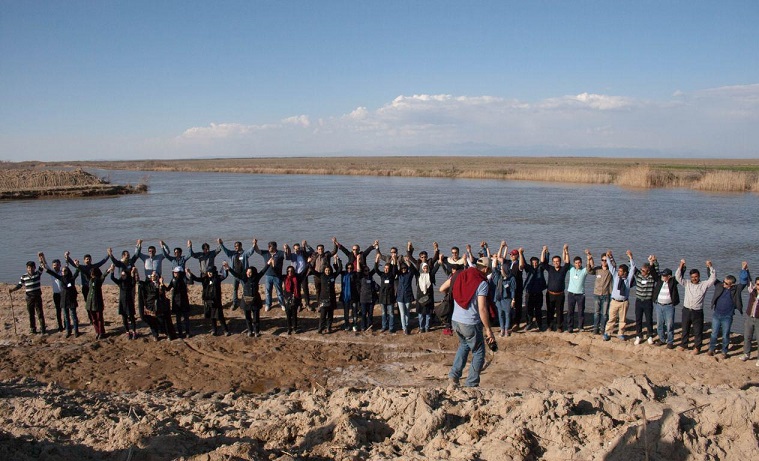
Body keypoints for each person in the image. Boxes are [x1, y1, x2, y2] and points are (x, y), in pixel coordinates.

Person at [441, 256, 496, 388]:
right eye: (489, 271)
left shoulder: (461, 275)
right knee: (478, 352)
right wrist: (488, 330)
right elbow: (482, 308)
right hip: (470, 322)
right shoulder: (482, 283)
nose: (489, 273)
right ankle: (472, 383)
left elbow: (443, 288)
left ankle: (453, 376)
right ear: (486, 269)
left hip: (455, 320)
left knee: (464, 345)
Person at [675, 259, 716, 355]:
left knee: (698, 330)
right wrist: (681, 265)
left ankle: (697, 347)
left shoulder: (704, 284)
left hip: (697, 311)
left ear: (699, 276)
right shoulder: (687, 283)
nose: (694, 278)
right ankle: (684, 345)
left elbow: (713, 278)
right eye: (692, 277)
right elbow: (678, 277)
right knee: (685, 329)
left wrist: (710, 266)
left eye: (696, 277)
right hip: (686, 310)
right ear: (690, 277)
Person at [707, 264, 746, 358]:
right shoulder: (719, 285)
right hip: (716, 314)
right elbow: (712, 277)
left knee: (725, 335)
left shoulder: (736, 289)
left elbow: (743, 282)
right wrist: (709, 267)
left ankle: (724, 351)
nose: (723, 283)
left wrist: (743, 269)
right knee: (714, 333)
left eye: (726, 283)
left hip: (727, 316)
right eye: (723, 281)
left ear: (731, 284)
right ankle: (711, 349)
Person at [41, 255, 81, 337]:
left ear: (67, 271)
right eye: (62, 271)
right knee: (66, 316)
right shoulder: (60, 278)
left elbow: (77, 272)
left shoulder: (71, 279)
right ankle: (68, 331)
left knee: (73, 316)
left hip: (71, 299)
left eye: (65, 271)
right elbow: (51, 273)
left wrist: (77, 265)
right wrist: (44, 268)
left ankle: (76, 331)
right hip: (63, 299)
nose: (63, 272)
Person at [187, 265, 230, 336]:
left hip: (216, 301)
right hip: (208, 301)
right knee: (212, 316)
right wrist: (189, 273)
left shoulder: (217, 278)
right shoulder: (205, 279)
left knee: (220, 316)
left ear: (214, 272)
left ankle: (225, 330)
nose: (209, 273)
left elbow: (224, 276)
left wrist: (226, 269)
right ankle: (214, 330)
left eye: (211, 272)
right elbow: (197, 279)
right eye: (208, 272)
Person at [225, 261, 266, 336]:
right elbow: (236, 275)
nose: (248, 273)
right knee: (248, 317)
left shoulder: (256, 278)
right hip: (246, 301)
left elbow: (263, 271)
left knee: (256, 317)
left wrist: (268, 263)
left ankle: (256, 331)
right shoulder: (244, 278)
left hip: (255, 300)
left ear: (253, 273)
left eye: (250, 272)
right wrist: (229, 268)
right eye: (247, 272)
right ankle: (250, 330)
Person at [604, 250, 636, 341]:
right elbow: (610, 267)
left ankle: (621, 333)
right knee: (611, 318)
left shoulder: (628, 279)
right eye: (619, 270)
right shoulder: (616, 276)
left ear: (625, 272)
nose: (619, 272)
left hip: (624, 302)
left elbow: (633, 268)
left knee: (622, 320)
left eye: (621, 271)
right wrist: (608, 257)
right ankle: (607, 333)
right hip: (614, 301)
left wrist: (630, 257)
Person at [9, 257, 46, 335]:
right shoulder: (24, 276)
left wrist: (41, 258)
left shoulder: (37, 274)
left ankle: (43, 329)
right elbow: (20, 285)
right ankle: (33, 329)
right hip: (29, 298)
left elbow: (42, 266)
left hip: (37, 297)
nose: (30, 269)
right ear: (27, 268)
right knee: (31, 314)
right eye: (29, 268)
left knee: (40, 313)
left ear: (34, 268)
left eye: (32, 268)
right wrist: (12, 290)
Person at [218, 238, 255, 309]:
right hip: (235, 275)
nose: (236, 247)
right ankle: (235, 303)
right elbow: (225, 250)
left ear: (240, 246)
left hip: (243, 276)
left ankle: (247, 301)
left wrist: (254, 245)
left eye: (237, 246)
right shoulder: (232, 254)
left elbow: (250, 251)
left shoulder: (244, 253)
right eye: (235, 246)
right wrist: (221, 244)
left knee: (245, 288)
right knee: (235, 289)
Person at [81, 264, 114, 340]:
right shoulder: (90, 280)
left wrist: (109, 270)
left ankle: (101, 332)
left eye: (93, 273)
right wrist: (78, 266)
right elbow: (84, 273)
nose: (92, 274)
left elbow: (103, 276)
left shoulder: (99, 281)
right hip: (90, 302)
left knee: (99, 318)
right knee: (94, 319)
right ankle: (97, 332)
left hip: (97, 302)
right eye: (91, 272)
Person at [543, 244, 570, 332]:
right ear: (552, 262)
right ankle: (550, 326)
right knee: (550, 311)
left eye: (557, 261)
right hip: (550, 294)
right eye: (554, 261)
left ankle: (559, 327)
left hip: (560, 295)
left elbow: (567, 262)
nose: (556, 263)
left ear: (560, 262)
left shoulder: (563, 269)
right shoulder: (550, 268)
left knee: (559, 311)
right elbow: (543, 262)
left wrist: (566, 251)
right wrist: (543, 251)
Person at [253, 239, 286, 312]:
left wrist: (286, 249)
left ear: (275, 247)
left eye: (270, 246)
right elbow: (257, 250)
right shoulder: (266, 253)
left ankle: (282, 304)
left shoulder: (280, 253)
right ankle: (268, 304)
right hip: (268, 275)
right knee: (268, 291)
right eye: (268, 246)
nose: (268, 247)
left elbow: (287, 256)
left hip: (277, 276)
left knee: (279, 292)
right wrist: (255, 244)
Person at [632, 255, 658, 345]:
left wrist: (653, 261)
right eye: (641, 270)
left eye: (643, 270)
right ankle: (639, 335)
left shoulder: (652, 277)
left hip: (648, 301)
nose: (641, 271)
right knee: (638, 319)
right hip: (639, 301)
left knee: (649, 319)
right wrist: (630, 257)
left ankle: (650, 335)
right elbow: (632, 267)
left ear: (648, 271)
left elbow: (656, 270)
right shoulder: (638, 275)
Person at [307, 238, 339, 310]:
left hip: (324, 276)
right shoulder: (314, 255)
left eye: (321, 249)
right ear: (317, 250)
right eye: (319, 249)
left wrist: (335, 243)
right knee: (318, 291)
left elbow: (334, 251)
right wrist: (306, 245)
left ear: (323, 249)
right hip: (316, 276)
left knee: (325, 290)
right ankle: (319, 304)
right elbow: (307, 253)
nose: (320, 250)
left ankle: (328, 303)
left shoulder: (327, 255)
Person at [652, 267, 680, 349]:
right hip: (659, 305)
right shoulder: (660, 281)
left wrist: (682, 266)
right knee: (659, 324)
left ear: (669, 276)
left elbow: (679, 275)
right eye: (662, 275)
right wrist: (651, 264)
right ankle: (662, 339)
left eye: (664, 275)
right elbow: (653, 273)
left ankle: (670, 342)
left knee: (669, 325)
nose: (662, 277)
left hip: (669, 306)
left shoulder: (673, 282)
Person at [587, 251, 612, 335]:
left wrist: (610, 256)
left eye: (606, 260)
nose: (604, 262)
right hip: (596, 294)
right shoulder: (597, 269)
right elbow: (589, 271)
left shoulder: (610, 270)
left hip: (606, 294)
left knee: (604, 314)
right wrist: (589, 260)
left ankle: (602, 329)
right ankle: (595, 329)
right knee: (596, 313)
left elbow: (614, 265)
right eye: (603, 260)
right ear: (601, 260)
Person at [492, 251, 517, 337]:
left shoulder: (512, 278)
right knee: (500, 314)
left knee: (507, 314)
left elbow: (513, 289)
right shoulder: (499, 277)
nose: (501, 270)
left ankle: (506, 330)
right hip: (499, 298)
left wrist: (513, 300)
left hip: (507, 299)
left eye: (503, 269)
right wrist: (495, 260)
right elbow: (494, 270)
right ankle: (502, 329)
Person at [565, 250, 591, 333]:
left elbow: (589, 266)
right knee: (570, 312)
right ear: (574, 263)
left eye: (579, 263)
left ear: (581, 263)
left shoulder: (584, 271)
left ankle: (581, 327)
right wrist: (566, 251)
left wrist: (588, 256)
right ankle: (570, 327)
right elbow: (566, 261)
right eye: (576, 263)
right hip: (571, 294)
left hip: (580, 295)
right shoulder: (571, 269)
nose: (578, 264)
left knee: (581, 312)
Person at [110, 265, 138, 339]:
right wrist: (112, 271)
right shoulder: (120, 282)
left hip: (129, 302)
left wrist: (133, 274)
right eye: (122, 275)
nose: (122, 276)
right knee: (124, 318)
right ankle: (127, 332)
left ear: (126, 275)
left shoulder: (130, 281)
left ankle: (134, 332)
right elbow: (112, 278)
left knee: (131, 317)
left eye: (124, 275)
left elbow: (134, 282)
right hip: (122, 302)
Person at [413, 258, 440, 333]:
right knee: (420, 314)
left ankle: (427, 327)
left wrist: (438, 262)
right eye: (424, 268)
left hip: (429, 298)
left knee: (428, 314)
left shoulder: (430, 275)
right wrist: (408, 262)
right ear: (422, 268)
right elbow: (413, 270)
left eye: (426, 268)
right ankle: (421, 327)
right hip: (420, 298)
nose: (425, 269)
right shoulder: (419, 276)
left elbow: (435, 270)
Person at [522, 248, 547, 331]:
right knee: (528, 309)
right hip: (529, 293)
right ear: (531, 263)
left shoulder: (541, 268)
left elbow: (544, 262)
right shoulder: (528, 269)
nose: (535, 264)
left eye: (536, 263)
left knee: (538, 310)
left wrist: (544, 252)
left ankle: (539, 324)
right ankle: (529, 323)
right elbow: (523, 263)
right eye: (533, 263)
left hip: (538, 293)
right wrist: (521, 253)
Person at [166, 266, 193, 338]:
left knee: (185, 318)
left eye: (175, 272)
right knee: (178, 318)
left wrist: (189, 273)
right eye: (174, 272)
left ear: (179, 273)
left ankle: (187, 332)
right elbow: (168, 288)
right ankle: (180, 333)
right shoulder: (173, 280)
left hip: (183, 301)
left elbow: (191, 282)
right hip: (177, 301)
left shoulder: (183, 279)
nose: (174, 273)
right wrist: (161, 284)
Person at [335, 257, 360, 332]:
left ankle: (355, 324)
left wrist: (358, 260)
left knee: (354, 312)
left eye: (351, 268)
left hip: (354, 296)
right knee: (346, 312)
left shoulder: (355, 274)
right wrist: (336, 260)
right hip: (345, 297)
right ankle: (347, 324)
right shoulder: (343, 274)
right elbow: (338, 269)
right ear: (346, 268)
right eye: (348, 268)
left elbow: (359, 270)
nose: (349, 269)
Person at [285, 241, 312, 308]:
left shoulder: (303, 253)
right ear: (294, 249)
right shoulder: (292, 255)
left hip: (304, 274)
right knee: (297, 290)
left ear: (300, 248)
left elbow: (312, 251)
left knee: (305, 289)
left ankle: (307, 304)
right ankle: (299, 304)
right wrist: (286, 249)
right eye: (296, 249)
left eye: (298, 248)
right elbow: (286, 257)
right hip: (295, 275)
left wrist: (306, 245)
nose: (297, 250)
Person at [357, 254, 379, 331]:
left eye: (368, 270)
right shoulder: (361, 277)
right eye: (365, 270)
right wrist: (358, 260)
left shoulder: (370, 275)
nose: (367, 272)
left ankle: (370, 325)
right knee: (363, 314)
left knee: (370, 313)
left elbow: (375, 268)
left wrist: (377, 259)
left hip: (371, 298)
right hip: (363, 299)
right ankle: (363, 326)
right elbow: (358, 270)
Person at [741, 267, 759, 364]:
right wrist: (745, 270)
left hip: (758, 319)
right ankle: (746, 354)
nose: (758, 286)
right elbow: (748, 281)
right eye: (757, 284)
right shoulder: (752, 291)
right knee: (747, 336)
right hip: (749, 317)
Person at [317, 260, 340, 334]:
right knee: (323, 315)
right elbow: (313, 271)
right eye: (326, 270)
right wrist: (309, 263)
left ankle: (329, 328)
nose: (327, 271)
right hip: (323, 299)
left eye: (329, 270)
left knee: (330, 315)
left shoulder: (333, 276)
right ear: (324, 270)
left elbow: (339, 269)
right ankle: (320, 329)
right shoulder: (321, 276)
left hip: (332, 299)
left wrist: (337, 260)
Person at [44, 257, 65, 332]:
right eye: (54, 265)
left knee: (65, 310)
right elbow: (45, 266)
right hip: (56, 294)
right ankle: (60, 326)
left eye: (57, 265)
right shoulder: (52, 273)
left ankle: (66, 324)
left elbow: (67, 267)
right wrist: (42, 257)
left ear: (60, 265)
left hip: (63, 294)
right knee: (58, 310)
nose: (55, 267)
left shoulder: (62, 273)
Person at [396, 258, 416, 335]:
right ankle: (404, 328)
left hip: (408, 295)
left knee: (407, 312)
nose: (403, 269)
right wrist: (396, 261)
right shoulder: (399, 275)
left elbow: (412, 270)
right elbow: (395, 270)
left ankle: (407, 326)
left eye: (405, 268)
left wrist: (408, 261)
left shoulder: (409, 275)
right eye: (402, 268)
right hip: (400, 296)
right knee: (402, 313)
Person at [376, 258, 397, 333]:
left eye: (387, 268)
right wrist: (377, 260)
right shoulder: (382, 275)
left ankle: (391, 327)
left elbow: (395, 269)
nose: (386, 269)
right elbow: (376, 269)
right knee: (383, 313)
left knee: (391, 313)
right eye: (385, 268)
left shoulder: (392, 275)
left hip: (390, 297)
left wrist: (394, 260)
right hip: (382, 297)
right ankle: (384, 326)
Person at [282, 265, 301, 335]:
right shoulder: (285, 278)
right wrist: (271, 265)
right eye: (288, 271)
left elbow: (304, 272)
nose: (290, 272)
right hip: (287, 299)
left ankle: (295, 328)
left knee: (294, 314)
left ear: (294, 272)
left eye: (291, 271)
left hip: (294, 299)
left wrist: (308, 263)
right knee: (288, 315)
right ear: (287, 271)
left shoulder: (297, 278)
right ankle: (289, 328)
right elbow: (276, 273)